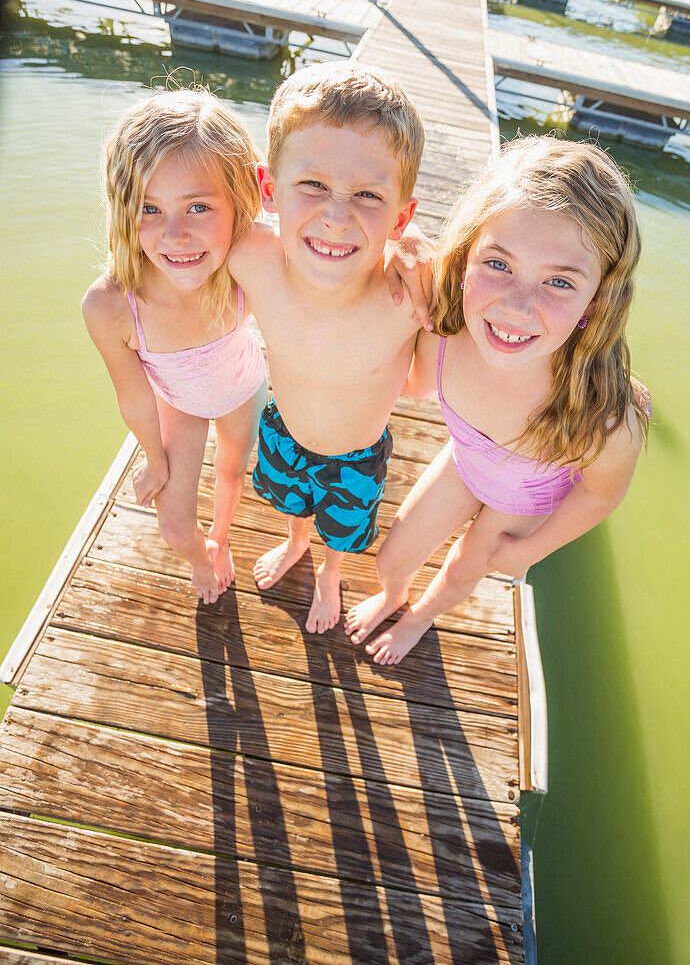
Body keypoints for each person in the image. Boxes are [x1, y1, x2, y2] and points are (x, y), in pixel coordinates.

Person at [83, 85, 432, 606]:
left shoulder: (241, 262)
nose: (177, 235)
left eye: (198, 207)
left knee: (287, 501)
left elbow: (333, 243)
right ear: (268, 187)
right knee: (232, 515)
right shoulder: (222, 262)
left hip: (300, 419)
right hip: (230, 417)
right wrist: (155, 457)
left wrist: (416, 245)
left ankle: (279, 558)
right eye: (148, 208)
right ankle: (249, 550)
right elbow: (134, 393)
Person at [345, 135, 651, 664]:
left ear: (596, 301)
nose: (516, 307)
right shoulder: (443, 330)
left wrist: (531, 550)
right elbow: (414, 381)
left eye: (558, 281)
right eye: (499, 265)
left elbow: (599, 496)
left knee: (464, 567)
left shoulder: (602, 417)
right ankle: (395, 595)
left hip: (525, 500)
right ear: (463, 259)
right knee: (392, 557)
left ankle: (419, 618)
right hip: (466, 461)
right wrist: (404, 241)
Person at [227, 62, 429, 634]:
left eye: (368, 196)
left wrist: (419, 255)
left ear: (401, 216)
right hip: (281, 428)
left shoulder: (409, 297)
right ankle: (295, 545)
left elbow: (424, 384)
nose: (336, 217)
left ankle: (330, 572)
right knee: (290, 504)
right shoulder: (251, 257)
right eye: (311, 185)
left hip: (358, 454)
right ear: (269, 189)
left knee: (341, 527)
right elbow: (181, 232)